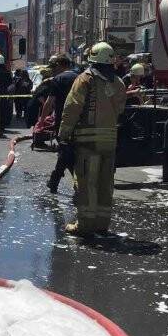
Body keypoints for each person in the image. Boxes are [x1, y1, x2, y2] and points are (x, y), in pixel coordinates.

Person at [58, 42, 127, 236]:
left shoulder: (85, 79)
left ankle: (86, 225)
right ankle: (102, 223)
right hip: (110, 142)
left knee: (87, 183)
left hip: (88, 142)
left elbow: (72, 108)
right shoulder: (118, 82)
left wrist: (64, 134)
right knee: (105, 183)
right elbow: (120, 109)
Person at [36, 54, 78, 193]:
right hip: (81, 122)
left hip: (64, 122)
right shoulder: (81, 77)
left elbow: (49, 102)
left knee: (65, 152)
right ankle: (56, 181)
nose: (52, 70)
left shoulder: (58, 79)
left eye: (54, 67)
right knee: (69, 152)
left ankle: (58, 181)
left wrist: (41, 121)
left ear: (60, 65)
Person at [0, 54, 13, 130]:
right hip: (4, 92)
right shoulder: (7, 71)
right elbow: (10, 82)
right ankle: (2, 125)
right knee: (3, 109)